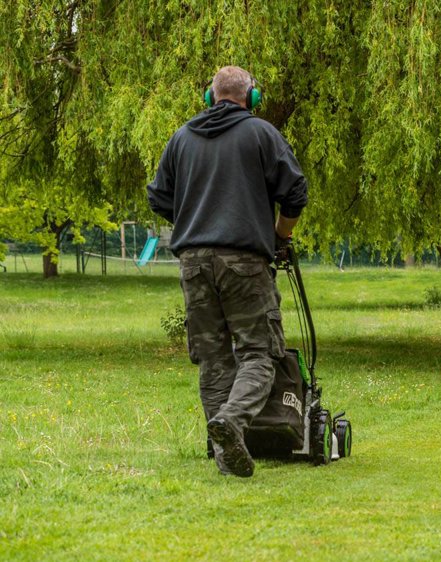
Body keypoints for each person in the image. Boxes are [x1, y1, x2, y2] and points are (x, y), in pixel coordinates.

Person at [147, 66, 308, 477]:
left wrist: (191, 216)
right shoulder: (261, 133)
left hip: (194, 264)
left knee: (213, 360)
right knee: (260, 353)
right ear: (251, 98)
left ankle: (225, 457)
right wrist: (279, 237)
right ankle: (232, 423)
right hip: (244, 262)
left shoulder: (181, 138)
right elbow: (295, 192)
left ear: (209, 96)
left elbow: (158, 197)